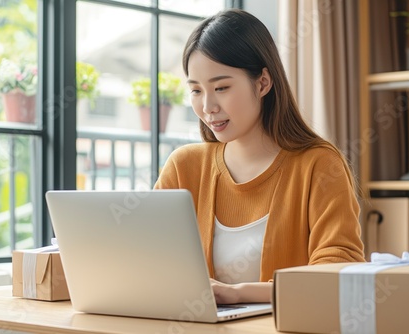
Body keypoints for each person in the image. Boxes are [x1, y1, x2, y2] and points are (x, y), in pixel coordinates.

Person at [154, 8, 365, 304]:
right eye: (196, 91)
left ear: (263, 82)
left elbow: (338, 273)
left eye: (221, 87)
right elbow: (150, 260)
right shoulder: (184, 166)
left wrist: (237, 293)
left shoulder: (318, 164)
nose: (208, 106)